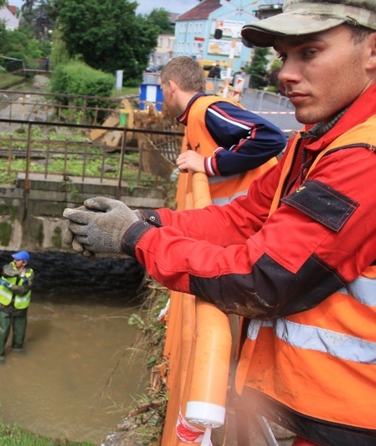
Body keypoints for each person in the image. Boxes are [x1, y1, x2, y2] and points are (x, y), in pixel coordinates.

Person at [63, 1, 376, 444]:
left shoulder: (363, 159)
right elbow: (244, 217)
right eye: (285, 56)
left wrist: (135, 238)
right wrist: (147, 219)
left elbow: (262, 278)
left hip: (354, 421)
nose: (285, 73)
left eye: (309, 52)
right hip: (314, 406)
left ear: (372, 52)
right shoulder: (317, 140)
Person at [163, 56, 287, 206]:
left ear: (171, 87)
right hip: (243, 213)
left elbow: (270, 137)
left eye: (162, 88)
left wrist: (209, 164)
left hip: (254, 211)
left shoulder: (206, 110)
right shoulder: (198, 114)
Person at [0, 251, 34, 361]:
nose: (14, 261)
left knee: (20, 330)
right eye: (14, 259)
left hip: (20, 306)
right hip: (4, 305)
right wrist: (20, 276)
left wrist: (9, 285)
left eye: (17, 260)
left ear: (24, 263)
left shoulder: (30, 273)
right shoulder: (8, 267)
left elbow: (23, 290)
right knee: (3, 330)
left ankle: (17, 348)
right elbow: (7, 272)